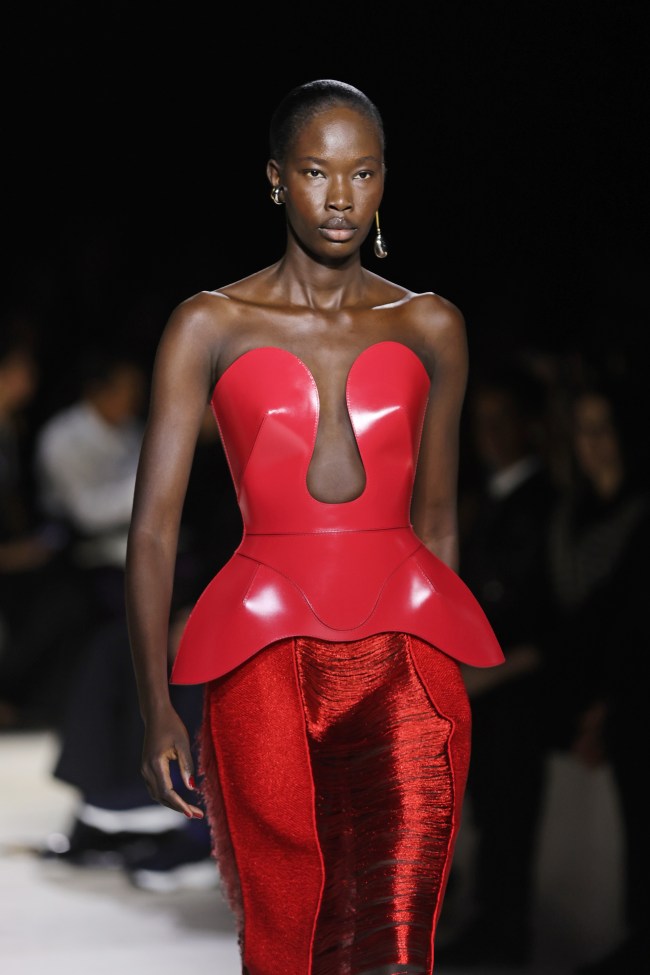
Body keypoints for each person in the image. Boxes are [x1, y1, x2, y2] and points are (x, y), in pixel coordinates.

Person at [125, 78, 504, 975]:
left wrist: (448, 659)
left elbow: (440, 516)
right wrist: (154, 708)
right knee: (287, 933)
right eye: (315, 172)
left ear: (383, 182)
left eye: (362, 173)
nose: (340, 198)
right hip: (262, 656)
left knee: (402, 940)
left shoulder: (431, 324)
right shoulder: (208, 323)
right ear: (274, 179)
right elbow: (152, 532)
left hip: (409, 657)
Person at [435, 361, 558, 966]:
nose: (487, 433)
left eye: (499, 420)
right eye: (479, 421)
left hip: (514, 692)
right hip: (479, 688)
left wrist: (489, 671)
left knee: (508, 817)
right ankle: (487, 926)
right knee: (486, 813)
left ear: (528, 426)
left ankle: (501, 937)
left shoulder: (541, 506)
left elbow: (544, 614)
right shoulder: (487, 504)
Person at [543, 376, 650, 974]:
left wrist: (607, 701)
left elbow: (630, 621)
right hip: (585, 692)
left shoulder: (639, 514)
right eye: (583, 431)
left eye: (603, 430)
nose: (592, 444)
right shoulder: (570, 516)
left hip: (630, 693)